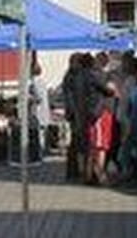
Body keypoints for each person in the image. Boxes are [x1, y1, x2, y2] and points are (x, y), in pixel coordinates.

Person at [60, 53, 100, 182]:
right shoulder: (73, 76)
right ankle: (82, 172)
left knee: (77, 143)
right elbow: (71, 97)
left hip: (76, 113)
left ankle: (76, 171)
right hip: (78, 114)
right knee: (81, 143)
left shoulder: (71, 75)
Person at [28, 55, 52, 161]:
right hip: (44, 111)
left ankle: (39, 154)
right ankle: (42, 152)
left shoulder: (34, 82)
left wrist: (29, 98)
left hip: (38, 112)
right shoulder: (43, 81)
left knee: (38, 134)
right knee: (42, 133)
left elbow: (37, 98)